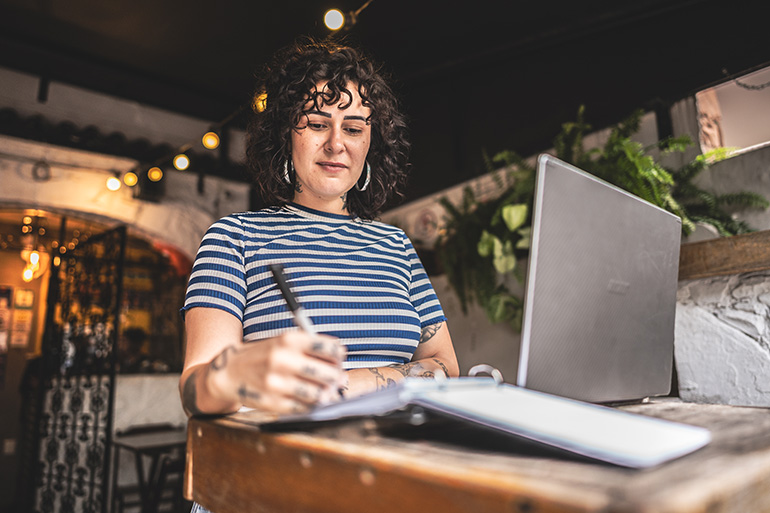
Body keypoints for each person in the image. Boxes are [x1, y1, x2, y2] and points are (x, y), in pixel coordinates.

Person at [179, 37, 459, 422]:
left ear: (371, 144)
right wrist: (234, 375)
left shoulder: (396, 245)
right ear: (286, 135)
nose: (336, 144)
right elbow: (193, 391)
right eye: (316, 124)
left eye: (354, 129)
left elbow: (446, 365)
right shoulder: (234, 238)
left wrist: (345, 385)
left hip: (403, 449)